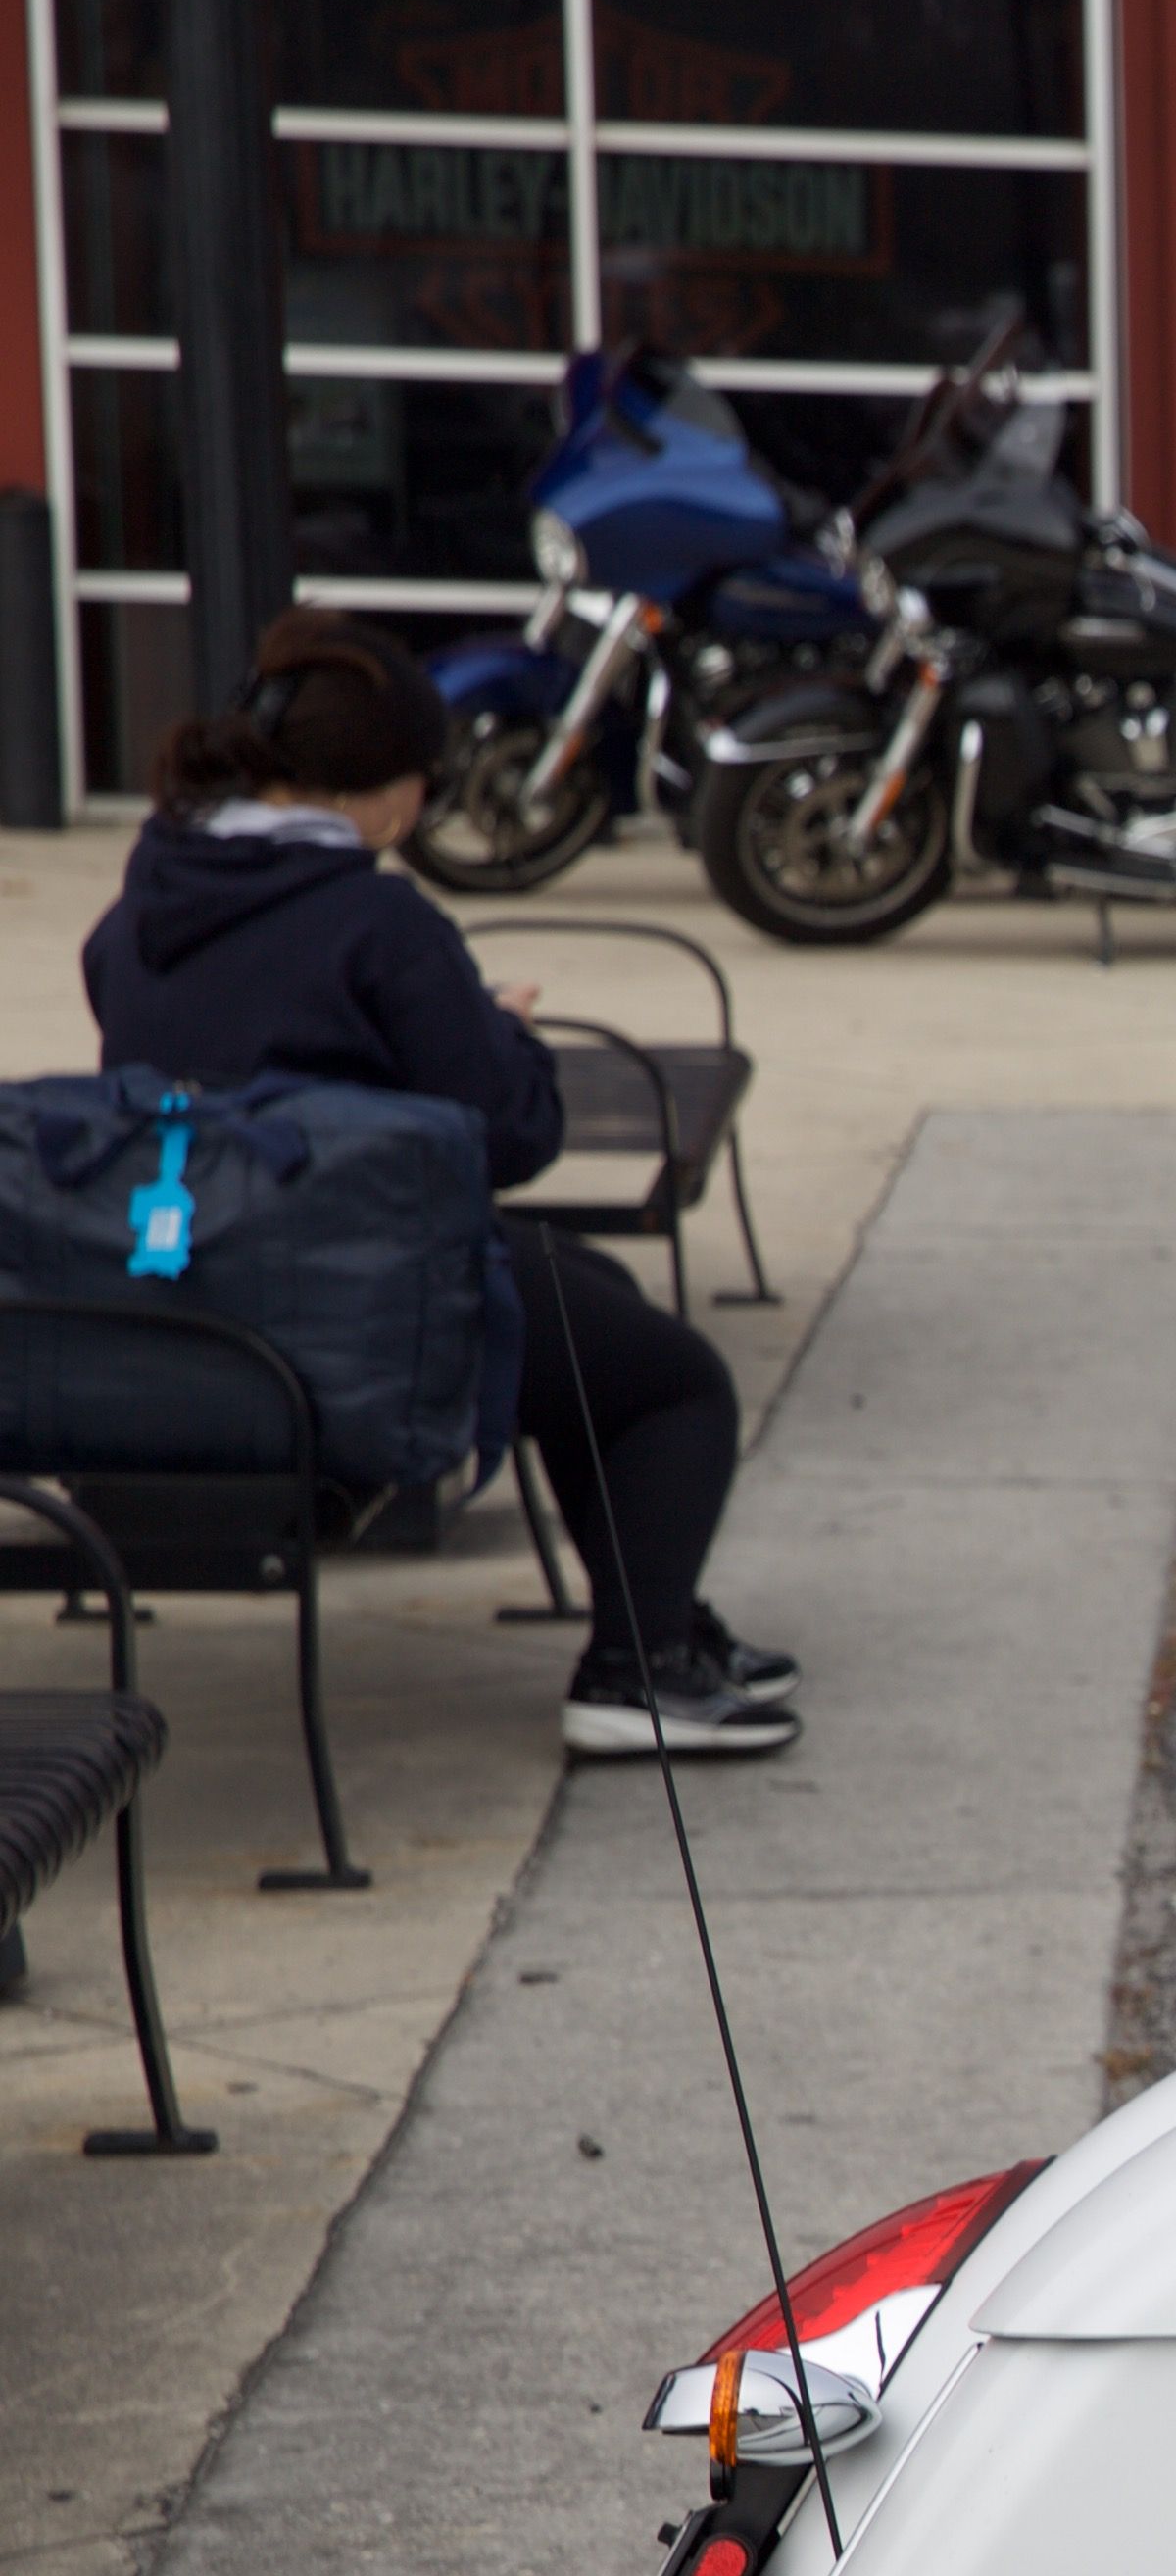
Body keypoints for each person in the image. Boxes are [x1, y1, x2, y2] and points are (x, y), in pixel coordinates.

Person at [80, 612, 799, 1760]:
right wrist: (502, 1031)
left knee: (585, 1292)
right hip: (345, 1314)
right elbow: (514, 1135)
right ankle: (638, 1673)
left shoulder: (137, 916)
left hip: (179, 1296)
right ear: (395, 793)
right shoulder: (378, 922)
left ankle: (656, 1614)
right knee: (678, 1386)